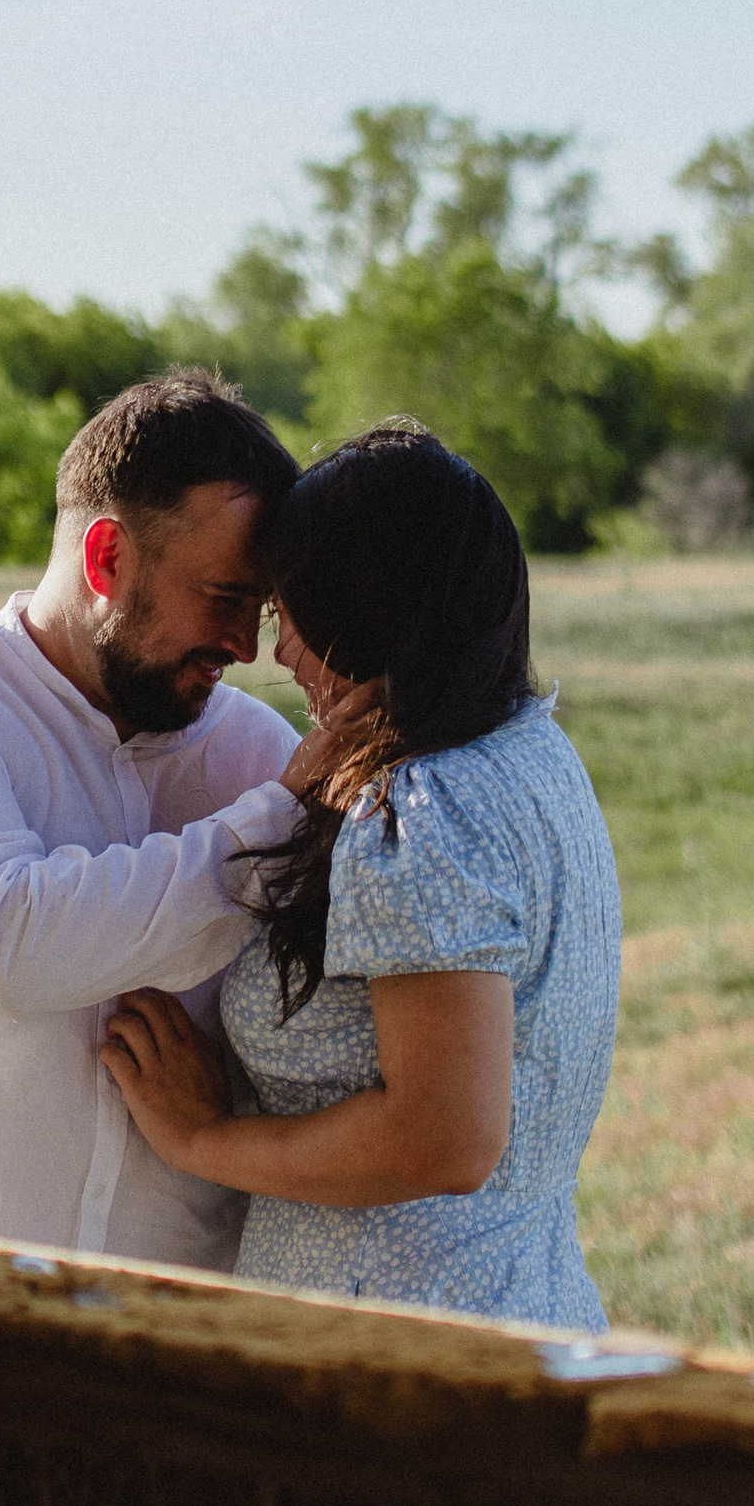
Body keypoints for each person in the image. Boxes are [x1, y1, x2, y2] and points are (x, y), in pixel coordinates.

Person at [101, 422, 620, 1327]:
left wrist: (202, 1139)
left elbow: (441, 1141)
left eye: (287, 612)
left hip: (392, 1345)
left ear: (362, 608)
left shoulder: (424, 809)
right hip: (520, 1308)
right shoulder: (529, 751)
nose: (281, 653)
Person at [0, 370, 314, 1266]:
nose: (245, 645)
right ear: (107, 557)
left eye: (261, 610)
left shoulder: (258, 754)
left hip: (175, 1309)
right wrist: (279, 825)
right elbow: (9, 946)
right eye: (225, 598)